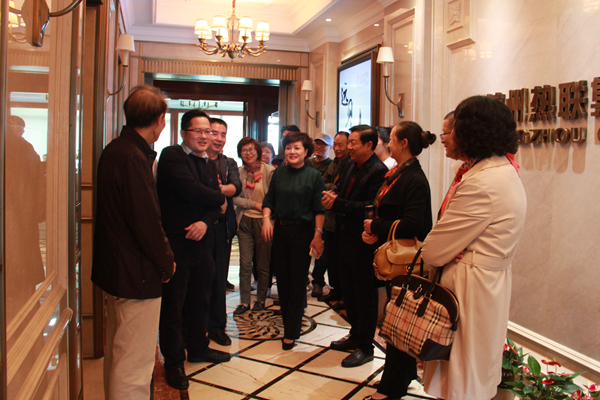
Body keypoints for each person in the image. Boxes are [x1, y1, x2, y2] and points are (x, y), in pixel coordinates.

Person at [422, 96, 527, 400]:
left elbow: (433, 251)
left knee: (462, 377)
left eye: (453, 128)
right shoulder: (497, 169)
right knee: (472, 371)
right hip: (481, 282)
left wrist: (450, 248)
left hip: (470, 287)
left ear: (471, 131)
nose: (448, 135)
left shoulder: (482, 182)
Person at [92, 85, 175, 400]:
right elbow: (146, 222)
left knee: (120, 353)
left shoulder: (116, 149)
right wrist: (166, 263)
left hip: (117, 269)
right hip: (135, 272)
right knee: (134, 362)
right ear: (159, 119)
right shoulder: (133, 157)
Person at [360, 121, 436, 400]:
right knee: (399, 322)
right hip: (395, 259)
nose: (387, 143)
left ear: (404, 144)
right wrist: (375, 230)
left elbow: (413, 224)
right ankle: (404, 377)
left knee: (397, 324)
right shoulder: (398, 173)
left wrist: (376, 225)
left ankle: (390, 389)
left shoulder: (414, 178)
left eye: (391, 138)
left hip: (406, 264)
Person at [156, 110, 230, 391]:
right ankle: (174, 362)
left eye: (207, 131)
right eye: (197, 131)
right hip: (176, 242)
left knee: (201, 299)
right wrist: (220, 197)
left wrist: (205, 222)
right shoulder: (172, 155)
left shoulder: (209, 163)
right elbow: (189, 190)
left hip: (202, 241)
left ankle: (198, 348)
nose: (204, 136)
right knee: (174, 306)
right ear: (183, 133)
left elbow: (213, 207)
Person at [321, 125, 387, 368]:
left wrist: (338, 203)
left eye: (353, 143)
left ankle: (366, 347)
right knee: (348, 290)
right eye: (348, 142)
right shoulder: (349, 164)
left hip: (363, 242)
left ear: (369, 145)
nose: (349, 147)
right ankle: (354, 335)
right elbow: (340, 190)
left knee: (364, 295)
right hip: (342, 237)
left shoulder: (378, 171)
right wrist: (332, 196)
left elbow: (370, 206)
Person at [262, 131, 326, 350]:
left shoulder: (313, 176)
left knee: (297, 280)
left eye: (297, 148)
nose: (292, 151)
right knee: (282, 279)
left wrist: (318, 235)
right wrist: (266, 219)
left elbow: (319, 209)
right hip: (280, 231)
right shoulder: (279, 173)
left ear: (306, 151)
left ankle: (292, 329)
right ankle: (288, 319)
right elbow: (269, 199)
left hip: (303, 232)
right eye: (288, 147)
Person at [206, 117, 242, 346]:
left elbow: (236, 187)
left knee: (219, 279)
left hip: (221, 228)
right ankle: (193, 327)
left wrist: (216, 189)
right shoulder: (193, 160)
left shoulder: (228, 163)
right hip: (197, 229)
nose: (219, 139)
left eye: (223, 134)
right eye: (214, 133)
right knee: (198, 279)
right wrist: (220, 192)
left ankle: (217, 327)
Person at [233, 138, 275, 314]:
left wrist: (265, 213)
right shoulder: (238, 172)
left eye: (251, 149)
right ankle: (244, 301)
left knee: (263, 263)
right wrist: (254, 204)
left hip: (264, 221)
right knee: (245, 264)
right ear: (240, 153)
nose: (248, 153)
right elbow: (234, 198)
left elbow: (273, 198)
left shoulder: (269, 171)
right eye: (244, 150)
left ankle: (261, 299)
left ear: (258, 151)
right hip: (244, 220)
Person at [311, 131, 350, 302]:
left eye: (341, 145)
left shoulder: (350, 164)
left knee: (339, 258)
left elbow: (342, 188)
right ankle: (334, 289)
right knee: (329, 255)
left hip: (342, 217)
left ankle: (342, 293)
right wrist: (332, 188)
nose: (338, 148)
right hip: (327, 215)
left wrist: (332, 188)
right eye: (336, 144)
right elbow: (322, 183)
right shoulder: (335, 163)